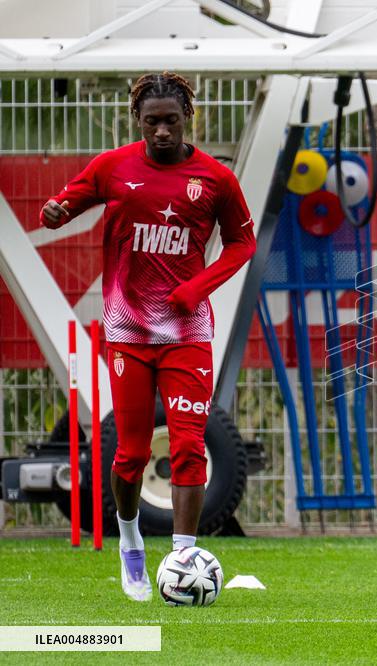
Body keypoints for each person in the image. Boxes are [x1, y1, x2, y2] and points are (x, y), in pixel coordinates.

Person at [40, 72, 256, 602]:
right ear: (138, 121)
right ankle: (131, 540)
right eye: (152, 122)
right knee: (131, 454)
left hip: (187, 332)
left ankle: (183, 557)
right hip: (129, 332)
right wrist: (54, 211)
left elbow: (241, 245)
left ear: (188, 120)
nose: (162, 131)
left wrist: (196, 287)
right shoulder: (113, 167)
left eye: (171, 121)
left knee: (187, 446)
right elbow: (66, 203)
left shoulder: (215, 180)